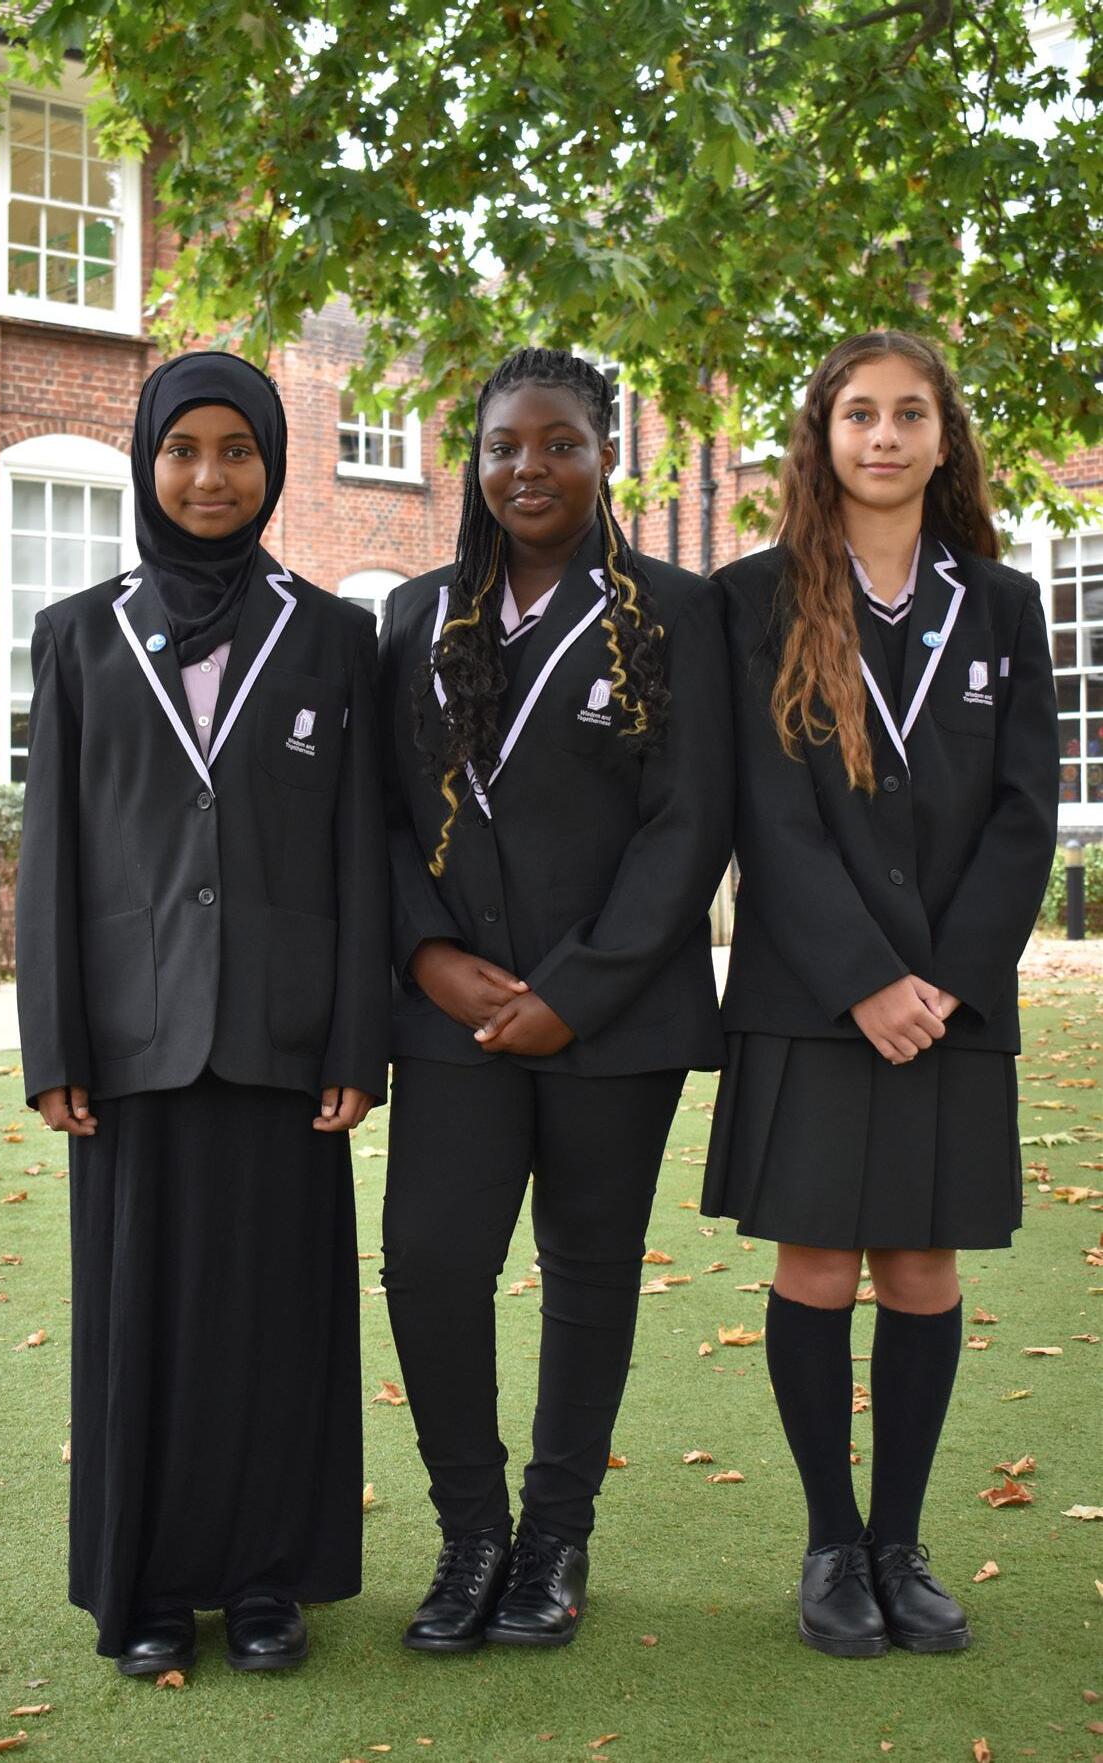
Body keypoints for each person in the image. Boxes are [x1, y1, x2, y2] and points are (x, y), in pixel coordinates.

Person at [15, 352, 389, 1675]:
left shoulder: (335, 637)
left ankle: (268, 1580)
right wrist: (54, 1046)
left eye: (238, 451)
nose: (210, 476)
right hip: (131, 1044)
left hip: (283, 1042)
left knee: (275, 1322)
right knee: (143, 1327)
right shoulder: (78, 635)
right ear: (147, 461)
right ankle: (156, 1585)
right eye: (184, 450)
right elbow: (52, 853)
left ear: (273, 468)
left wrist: (356, 1040)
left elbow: (360, 850)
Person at [703, 331, 1058, 1657]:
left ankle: (899, 1543)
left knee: (919, 1264)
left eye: (912, 414)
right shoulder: (756, 600)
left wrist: (947, 983)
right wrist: (865, 979)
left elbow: (1025, 812)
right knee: (817, 1261)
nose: (886, 436)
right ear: (824, 435)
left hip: (953, 1005)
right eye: (860, 413)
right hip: (813, 994)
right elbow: (767, 815)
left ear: (944, 438)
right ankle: (829, 1543)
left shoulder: (1002, 605)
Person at [378, 348, 733, 1651]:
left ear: (605, 453)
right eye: (502, 446)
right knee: (430, 1260)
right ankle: (472, 1533)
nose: (528, 467)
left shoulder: (678, 613)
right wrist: (428, 957)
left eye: (560, 443)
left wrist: (575, 990)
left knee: (587, 1270)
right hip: (456, 1012)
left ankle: (556, 1537)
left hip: (613, 1013)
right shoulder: (415, 617)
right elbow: (380, 814)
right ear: (473, 462)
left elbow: (690, 824)